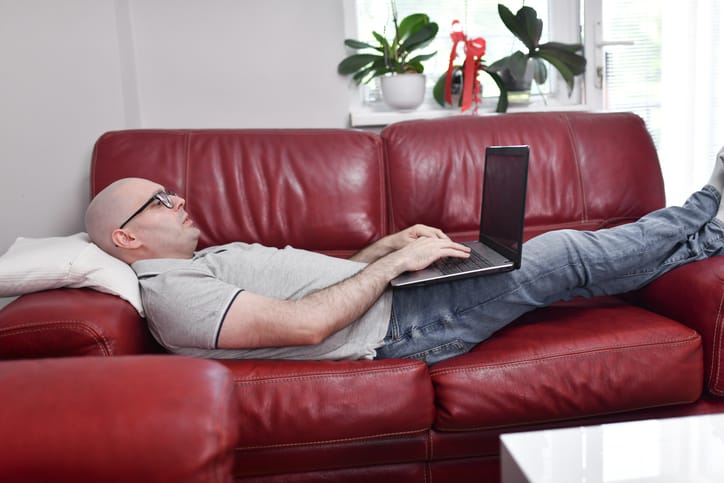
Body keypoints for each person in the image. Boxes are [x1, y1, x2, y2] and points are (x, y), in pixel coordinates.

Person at [85, 147, 724, 365]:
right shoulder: (173, 297)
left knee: (567, 264)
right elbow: (308, 325)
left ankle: (713, 239)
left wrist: (386, 248)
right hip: (404, 328)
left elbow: (320, 286)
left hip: (397, 299)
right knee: (559, 254)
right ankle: (708, 203)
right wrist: (394, 267)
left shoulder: (202, 263)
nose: (180, 200)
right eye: (161, 201)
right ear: (128, 239)